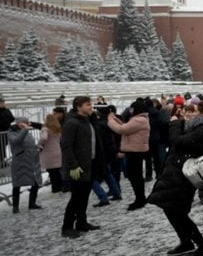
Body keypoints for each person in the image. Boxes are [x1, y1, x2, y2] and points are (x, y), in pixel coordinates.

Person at [147, 101, 203, 256]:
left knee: (177, 211)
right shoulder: (193, 127)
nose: (188, 114)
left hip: (183, 177)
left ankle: (202, 246)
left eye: (192, 111)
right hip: (175, 174)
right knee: (170, 208)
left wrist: (174, 124)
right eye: (186, 111)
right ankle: (186, 241)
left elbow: (177, 141)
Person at [60, 96, 104, 238]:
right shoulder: (72, 123)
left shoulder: (88, 120)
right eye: (88, 104)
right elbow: (66, 146)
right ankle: (67, 227)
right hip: (78, 167)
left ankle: (81, 222)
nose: (91, 106)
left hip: (90, 165)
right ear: (78, 106)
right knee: (76, 198)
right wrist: (73, 165)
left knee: (84, 196)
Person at [107, 98, 150, 210]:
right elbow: (127, 127)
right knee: (136, 176)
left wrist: (110, 120)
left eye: (132, 108)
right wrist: (116, 119)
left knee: (135, 176)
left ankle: (140, 199)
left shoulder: (139, 120)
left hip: (135, 151)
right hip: (135, 150)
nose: (130, 110)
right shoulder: (139, 119)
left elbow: (122, 130)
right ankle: (140, 198)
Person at [9, 116, 43, 213]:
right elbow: (16, 141)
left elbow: (30, 144)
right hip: (20, 162)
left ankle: (32, 203)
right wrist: (25, 130)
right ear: (20, 123)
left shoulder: (27, 131)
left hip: (32, 161)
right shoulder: (11, 132)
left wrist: (37, 147)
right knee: (17, 184)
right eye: (26, 123)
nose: (28, 124)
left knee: (35, 183)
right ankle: (15, 206)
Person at [38, 112, 64, 194]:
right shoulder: (57, 128)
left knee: (52, 172)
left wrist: (39, 144)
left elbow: (44, 138)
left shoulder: (45, 129)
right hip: (57, 151)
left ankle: (55, 188)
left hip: (48, 153)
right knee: (56, 171)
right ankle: (60, 187)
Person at [0, 95, 16, 166]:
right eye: (1, 102)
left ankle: (3, 160)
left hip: (7, 132)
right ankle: (1, 161)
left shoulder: (7, 110)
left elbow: (12, 118)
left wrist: (7, 120)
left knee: (4, 146)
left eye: (3, 102)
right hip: (1, 132)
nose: (2, 103)